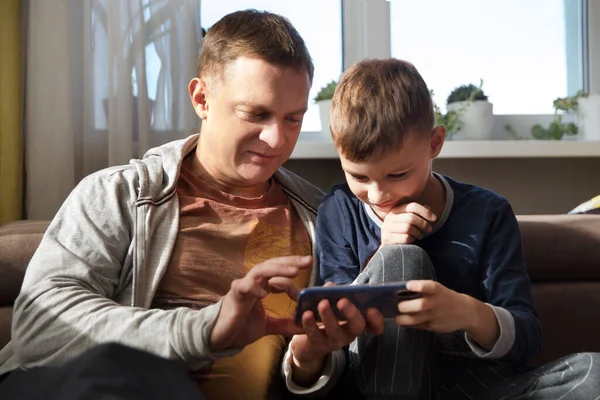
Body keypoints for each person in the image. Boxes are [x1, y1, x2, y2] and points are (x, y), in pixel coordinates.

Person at [0, 10, 384, 400]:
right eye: (256, 114)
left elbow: (322, 373)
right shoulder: (119, 194)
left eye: (294, 119)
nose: (276, 139)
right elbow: (40, 327)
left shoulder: (324, 219)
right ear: (202, 98)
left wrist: (310, 362)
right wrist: (206, 329)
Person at [295, 58, 600, 398]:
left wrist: (467, 312)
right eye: (359, 176)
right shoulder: (339, 210)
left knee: (593, 373)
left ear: (435, 143)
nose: (377, 194)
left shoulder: (488, 213)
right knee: (403, 260)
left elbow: (527, 338)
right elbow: (334, 323)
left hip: (479, 385)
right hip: (380, 381)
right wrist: (386, 253)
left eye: (398, 174)